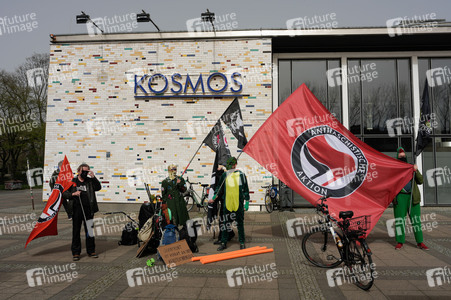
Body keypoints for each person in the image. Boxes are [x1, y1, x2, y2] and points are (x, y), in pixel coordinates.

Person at [63, 163, 101, 261]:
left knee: (89, 231)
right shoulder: (73, 181)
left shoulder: (90, 181)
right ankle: (76, 252)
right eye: (83, 171)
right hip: (76, 210)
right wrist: (73, 194)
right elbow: (64, 193)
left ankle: (91, 251)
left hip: (88, 210)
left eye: (87, 171)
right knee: (76, 231)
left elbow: (98, 187)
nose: (85, 173)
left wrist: (93, 177)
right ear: (79, 171)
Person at [393, 147, 429, 250]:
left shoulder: (411, 167)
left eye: (403, 155)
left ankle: (420, 242)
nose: (402, 156)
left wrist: (416, 171)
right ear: (397, 157)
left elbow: (420, 181)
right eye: (400, 156)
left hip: (413, 197)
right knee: (400, 220)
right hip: (400, 197)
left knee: (416, 220)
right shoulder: (395, 170)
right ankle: (400, 241)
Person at [214, 157, 250, 251]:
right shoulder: (225, 175)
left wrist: (246, 202)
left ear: (235, 164)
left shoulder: (241, 175)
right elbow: (219, 187)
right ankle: (223, 242)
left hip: (238, 204)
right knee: (225, 224)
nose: (231, 166)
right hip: (227, 204)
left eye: (232, 164)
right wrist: (216, 195)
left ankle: (242, 242)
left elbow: (246, 189)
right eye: (229, 165)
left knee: (240, 224)